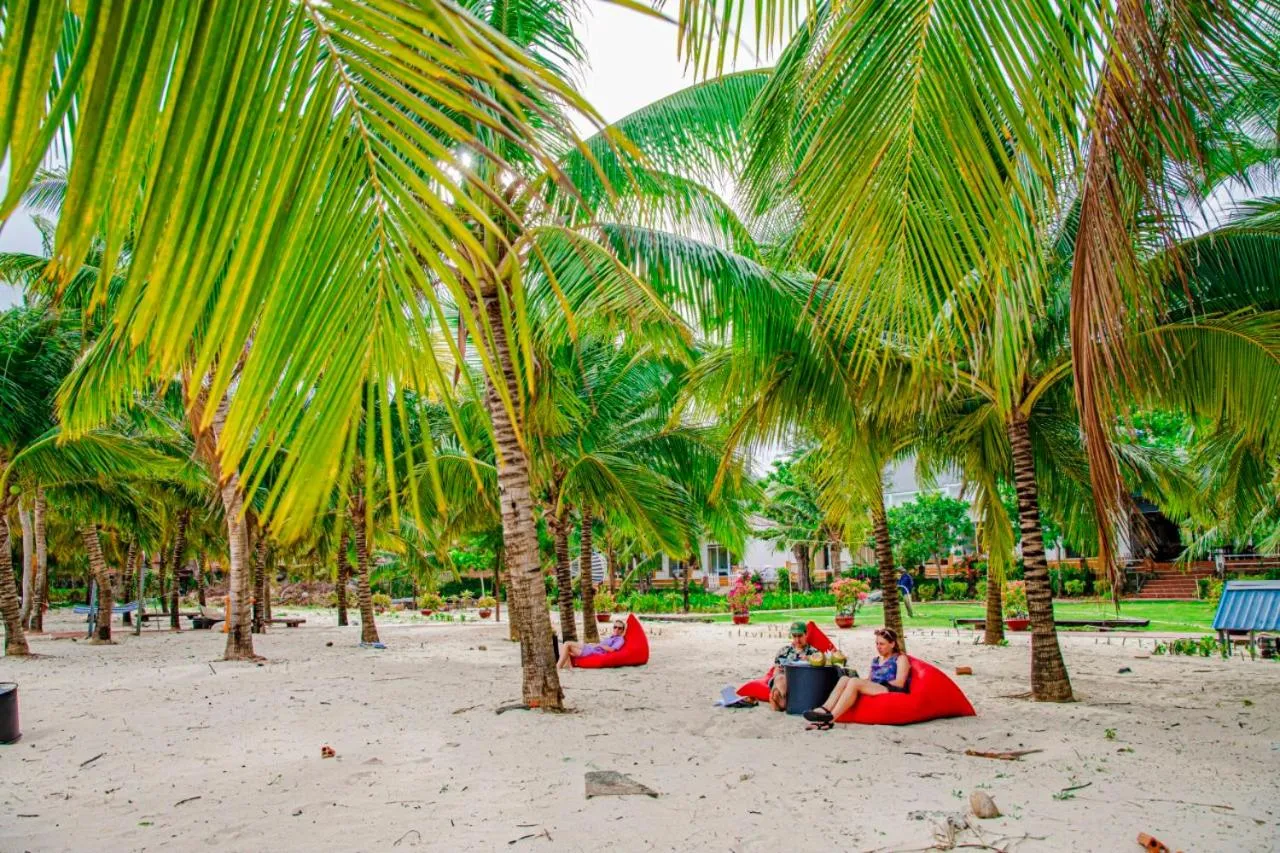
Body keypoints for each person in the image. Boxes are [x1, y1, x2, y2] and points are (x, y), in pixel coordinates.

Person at [801, 627, 910, 729]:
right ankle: (825, 708)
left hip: (889, 688)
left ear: (892, 644)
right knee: (845, 679)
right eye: (877, 643)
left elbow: (900, 682)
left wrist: (875, 683)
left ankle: (831, 718)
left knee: (854, 682)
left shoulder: (900, 658)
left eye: (882, 644)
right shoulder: (876, 660)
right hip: (876, 686)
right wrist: (857, 678)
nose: (878, 647)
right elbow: (870, 680)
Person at [767, 621, 819, 711]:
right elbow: (776, 670)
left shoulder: (814, 653)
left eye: (800, 636)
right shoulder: (783, 651)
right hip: (782, 680)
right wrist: (779, 671)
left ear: (806, 634)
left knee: (777, 690)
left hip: (801, 682)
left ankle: (782, 700)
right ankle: (784, 699)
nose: (797, 640)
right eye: (794, 636)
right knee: (780, 678)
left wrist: (809, 660)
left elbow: (818, 673)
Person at [557, 619, 626, 669]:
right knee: (566, 647)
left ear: (622, 631)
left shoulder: (620, 639)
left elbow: (612, 650)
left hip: (592, 651)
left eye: (619, 628)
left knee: (567, 644)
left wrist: (599, 645)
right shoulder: (611, 637)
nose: (617, 629)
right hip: (590, 647)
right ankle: (569, 667)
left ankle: (558, 667)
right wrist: (595, 644)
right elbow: (602, 645)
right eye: (615, 627)